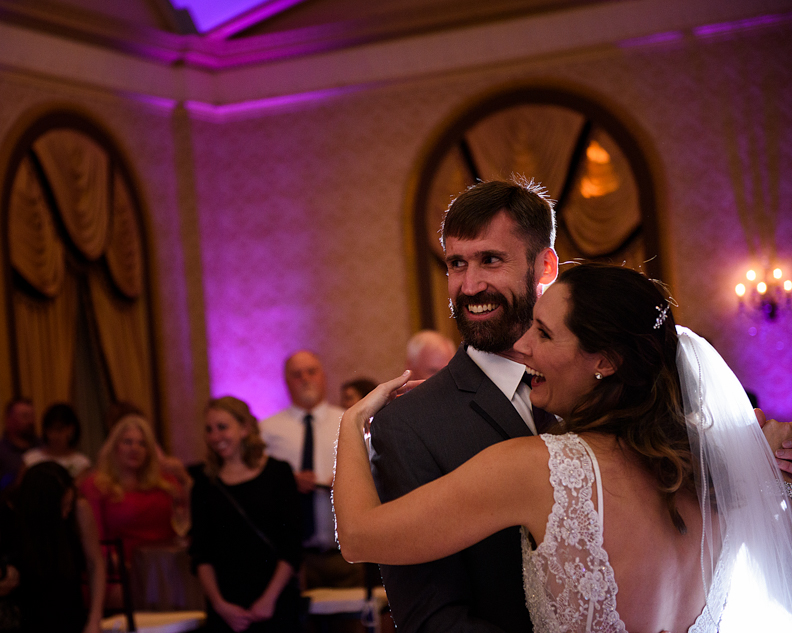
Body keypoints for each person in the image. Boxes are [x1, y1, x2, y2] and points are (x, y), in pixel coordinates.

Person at [336, 264, 792, 631]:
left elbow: (358, 537)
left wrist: (351, 424)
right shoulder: (712, 474)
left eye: (545, 333)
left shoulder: (541, 467)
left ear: (606, 361)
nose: (522, 345)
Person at [369, 179, 558, 632]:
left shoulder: (598, 390)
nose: (469, 286)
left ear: (544, 266)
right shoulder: (409, 426)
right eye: (457, 264)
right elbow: (433, 619)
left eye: (490, 260)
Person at [190, 396, 302, 632]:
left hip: (275, 598)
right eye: (209, 430)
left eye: (222, 427)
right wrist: (220, 605)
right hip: (225, 603)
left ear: (245, 428)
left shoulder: (278, 473)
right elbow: (201, 553)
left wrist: (269, 599)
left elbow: (291, 544)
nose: (215, 436)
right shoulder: (204, 482)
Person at [0, 461, 105, 633]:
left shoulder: (79, 510)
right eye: (61, 507)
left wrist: (94, 620)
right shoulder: (0, 519)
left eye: (69, 505)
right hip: (19, 618)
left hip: (69, 615)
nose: (66, 514)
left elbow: (95, 564)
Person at [261, 350, 357, 588]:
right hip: (292, 559)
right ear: (286, 382)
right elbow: (258, 486)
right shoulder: (266, 430)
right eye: (296, 374)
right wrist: (287, 482)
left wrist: (350, 481)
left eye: (311, 372)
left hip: (347, 554)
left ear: (323, 376)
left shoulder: (348, 421)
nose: (305, 379)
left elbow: (377, 473)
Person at [80, 413, 191, 562]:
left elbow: (192, 515)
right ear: (115, 446)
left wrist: (185, 479)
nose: (135, 448)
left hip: (168, 566)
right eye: (127, 442)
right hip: (122, 570)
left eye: (142, 444)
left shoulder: (165, 482)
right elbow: (96, 543)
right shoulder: (97, 485)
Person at [22, 403, 91, 480]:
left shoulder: (81, 463)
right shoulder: (31, 458)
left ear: (71, 429)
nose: (54, 435)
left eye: (59, 429)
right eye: (50, 430)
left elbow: (77, 490)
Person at [0, 398, 39, 501]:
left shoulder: (43, 446)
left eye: (32, 416)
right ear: (9, 420)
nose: (31, 421)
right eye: (25, 416)